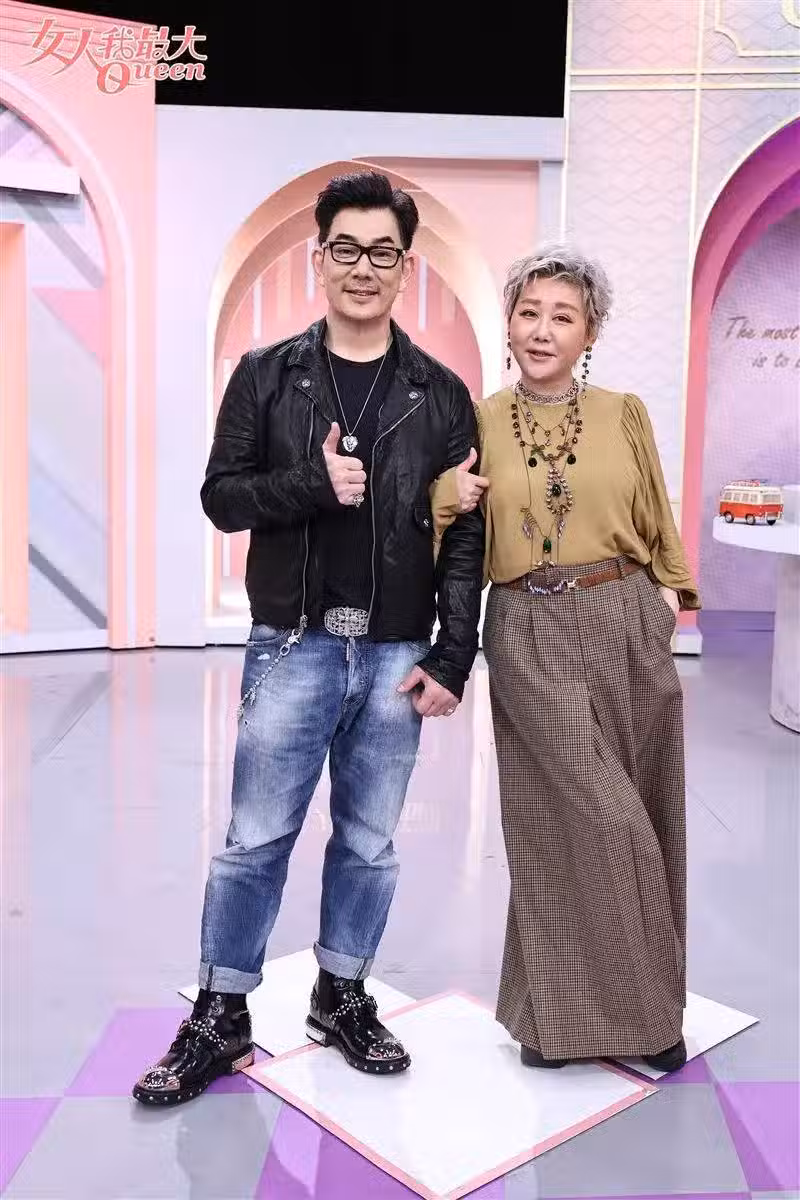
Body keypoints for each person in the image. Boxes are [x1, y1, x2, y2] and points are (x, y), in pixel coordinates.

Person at [133, 171, 484, 1106]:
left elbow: (467, 532)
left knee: (369, 842)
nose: (364, 268)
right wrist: (310, 486)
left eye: (383, 252)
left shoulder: (441, 394)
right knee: (254, 839)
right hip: (291, 642)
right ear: (318, 258)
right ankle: (222, 1012)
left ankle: (341, 994)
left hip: (398, 650)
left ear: (405, 266)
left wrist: (453, 654)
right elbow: (221, 497)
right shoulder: (266, 375)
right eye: (347, 249)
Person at [432, 244, 700, 1073]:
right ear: (508, 323)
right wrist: (443, 499)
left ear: (590, 333)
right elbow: (445, 534)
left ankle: (554, 1026)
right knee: (593, 818)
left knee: (638, 808)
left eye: (563, 316)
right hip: (527, 626)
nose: (543, 330)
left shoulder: (623, 412)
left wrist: (669, 599)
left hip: (624, 614)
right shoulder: (477, 420)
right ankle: (642, 1018)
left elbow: (656, 516)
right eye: (529, 312)